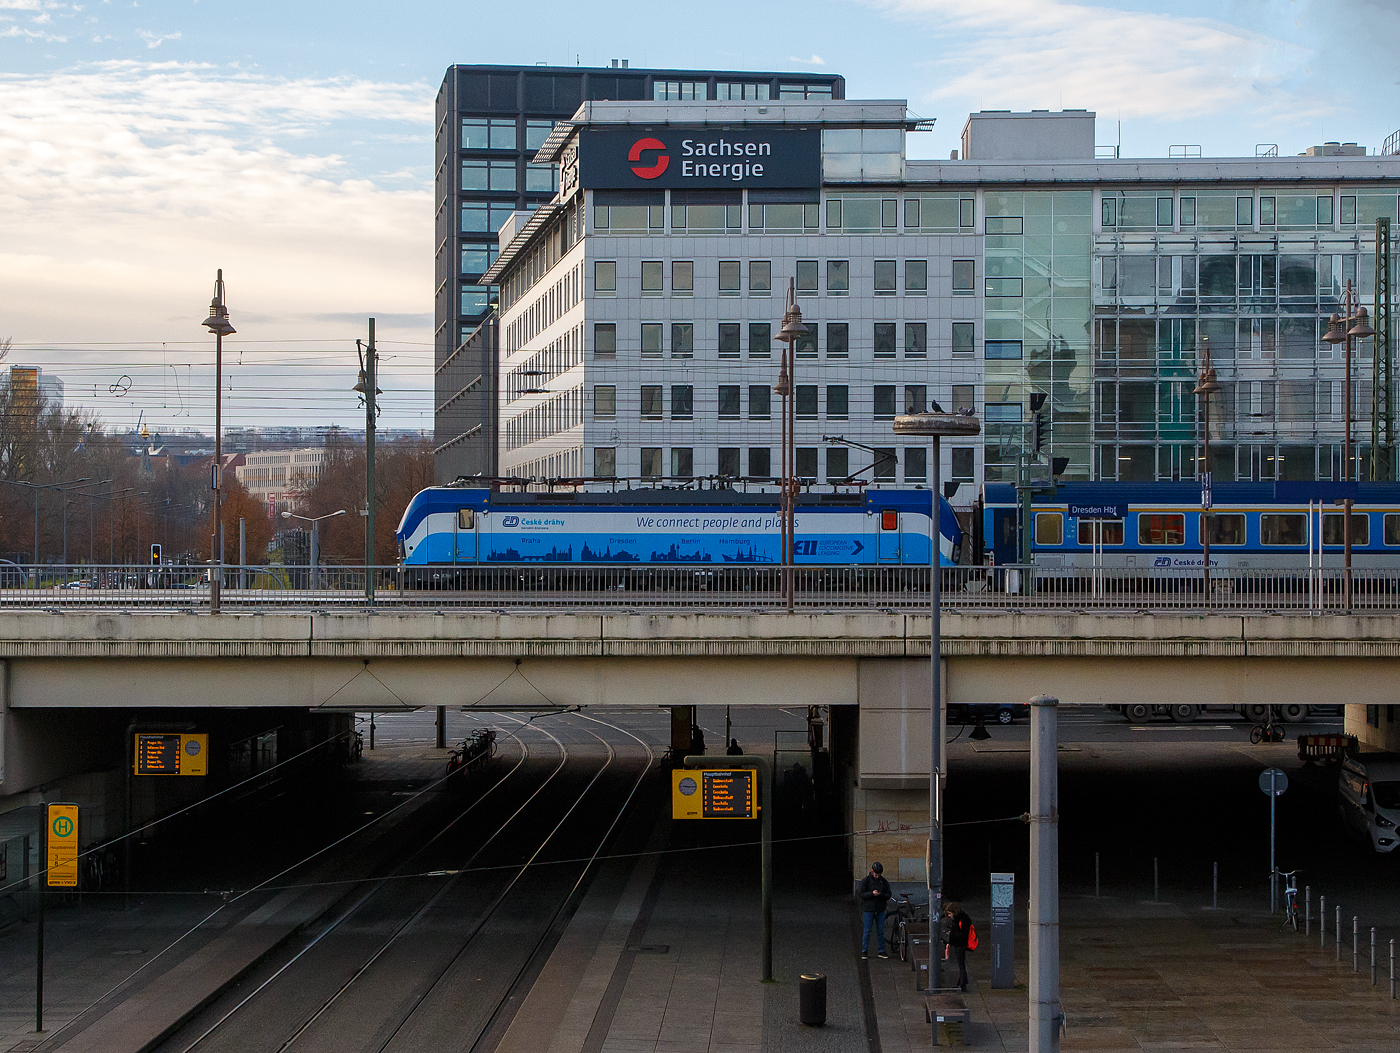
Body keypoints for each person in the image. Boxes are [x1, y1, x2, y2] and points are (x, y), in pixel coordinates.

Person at [856, 862, 891, 959]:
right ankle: (864, 950)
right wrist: (872, 893)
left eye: (878, 875)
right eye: (876, 874)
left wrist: (881, 895)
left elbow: (888, 895)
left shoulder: (883, 882)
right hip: (869, 909)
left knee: (880, 931)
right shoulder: (866, 881)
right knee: (867, 930)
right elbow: (861, 894)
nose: (877, 876)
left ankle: (881, 950)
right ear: (872, 872)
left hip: (880, 908)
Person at [945, 900, 973, 991]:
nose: (949, 916)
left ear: (953, 912)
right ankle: (962, 982)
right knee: (961, 964)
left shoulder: (961, 919)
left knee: (961, 964)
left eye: (949, 914)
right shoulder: (961, 918)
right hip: (959, 943)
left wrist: (952, 935)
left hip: (960, 944)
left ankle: (962, 984)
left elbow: (962, 933)